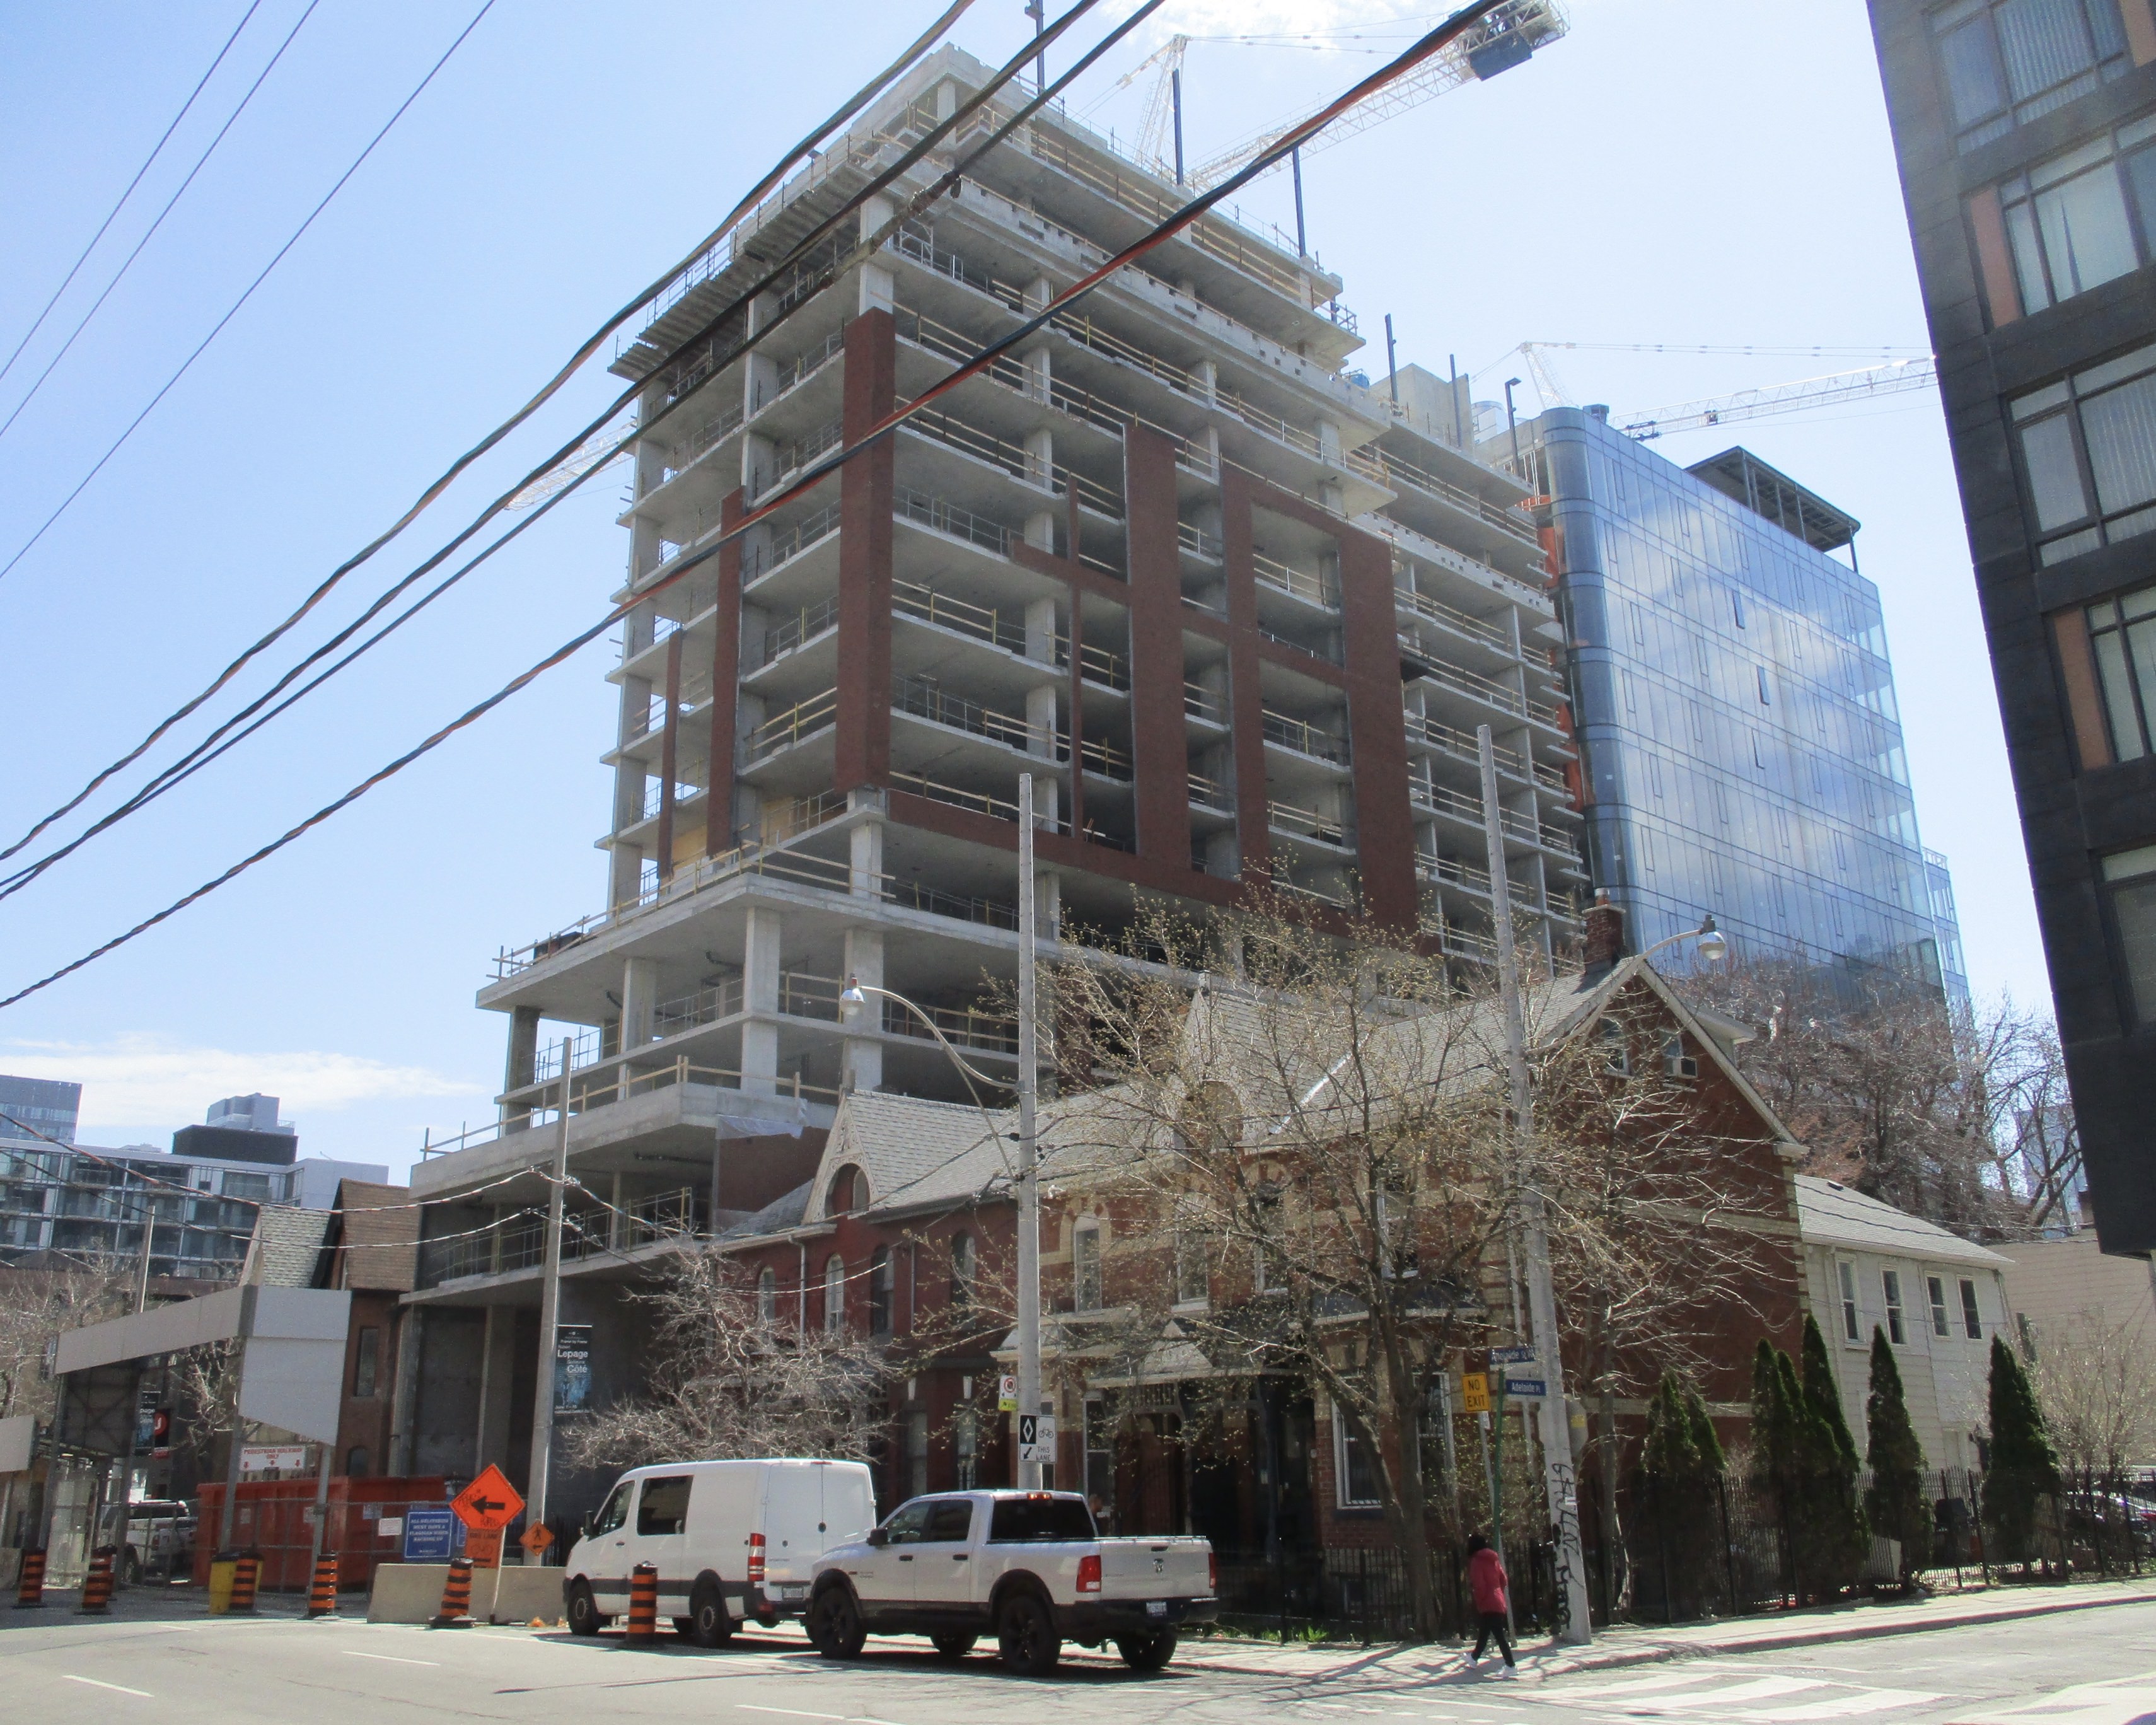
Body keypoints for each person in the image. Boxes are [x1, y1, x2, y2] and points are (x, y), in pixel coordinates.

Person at [1465, 1533, 1516, 1675]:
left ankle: (1511, 1665)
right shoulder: (1494, 1559)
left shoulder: (1476, 1561)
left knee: (1498, 1635)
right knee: (1486, 1632)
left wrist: (1480, 1599)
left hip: (1487, 1601)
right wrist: (1497, 1591)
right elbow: (1503, 1579)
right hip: (1498, 1599)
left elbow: (1479, 1584)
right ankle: (1474, 1658)